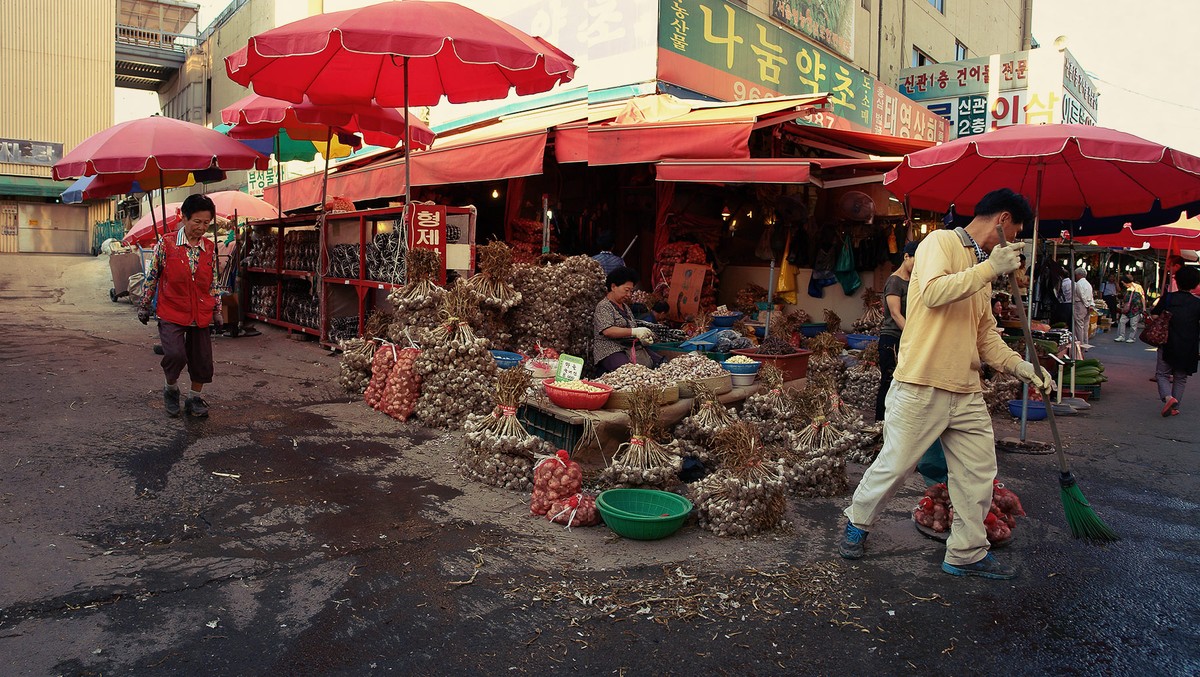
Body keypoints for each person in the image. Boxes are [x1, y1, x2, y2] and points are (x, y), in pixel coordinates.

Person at [838, 188, 1052, 581]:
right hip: (922, 381)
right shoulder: (940, 241)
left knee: (977, 472)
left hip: (967, 389)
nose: (1014, 242)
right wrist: (989, 269)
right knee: (896, 465)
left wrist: (1021, 367)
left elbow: (985, 336)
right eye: (1016, 231)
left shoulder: (981, 269)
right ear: (1003, 221)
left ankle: (966, 551)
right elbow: (935, 293)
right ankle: (858, 521)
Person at [137, 194, 222, 418]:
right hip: (172, 309)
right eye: (197, 222)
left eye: (206, 223)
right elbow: (153, 275)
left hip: (201, 311)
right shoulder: (166, 243)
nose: (202, 228)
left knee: (202, 360)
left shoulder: (210, 248)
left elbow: (214, 281)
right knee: (175, 354)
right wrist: (145, 304)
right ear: (184, 218)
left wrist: (218, 310)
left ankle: (194, 398)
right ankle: (171, 389)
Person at [874, 240, 918, 422]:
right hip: (892, 339)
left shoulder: (915, 280)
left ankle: (896, 423)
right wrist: (915, 336)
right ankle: (880, 423)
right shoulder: (894, 281)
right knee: (888, 381)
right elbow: (895, 313)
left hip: (906, 339)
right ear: (906, 256)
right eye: (917, 259)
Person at [1150, 265, 1200, 416]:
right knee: (1180, 377)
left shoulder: (1168, 297)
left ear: (1177, 281)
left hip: (1167, 342)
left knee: (1162, 374)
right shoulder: (1198, 303)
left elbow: (1154, 315)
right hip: (1189, 345)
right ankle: (1175, 406)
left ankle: (1168, 398)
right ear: (1196, 284)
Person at [593, 266, 662, 374]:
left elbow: (632, 327)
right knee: (630, 372)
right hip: (610, 350)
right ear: (613, 286)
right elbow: (608, 330)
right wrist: (634, 332)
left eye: (631, 291)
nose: (629, 295)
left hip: (630, 347)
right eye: (626, 290)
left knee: (661, 363)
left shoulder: (625, 307)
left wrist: (642, 337)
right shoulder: (603, 306)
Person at [1068, 267, 1096, 349]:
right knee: (1085, 326)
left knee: (1079, 325)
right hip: (1087, 305)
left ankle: (1081, 344)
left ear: (1079, 275)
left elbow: (1081, 295)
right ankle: (1085, 343)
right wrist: (1090, 304)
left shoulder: (1079, 284)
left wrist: (1087, 304)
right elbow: (1091, 296)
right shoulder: (1088, 284)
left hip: (1080, 305)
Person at [1115, 274, 1146, 343]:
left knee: (1133, 324)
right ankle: (1121, 336)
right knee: (1122, 321)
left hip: (1135, 308)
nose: (1123, 285)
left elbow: (1142, 297)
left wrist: (1144, 307)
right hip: (1126, 308)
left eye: (1123, 283)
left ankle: (1131, 337)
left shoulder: (1138, 287)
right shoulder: (1126, 289)